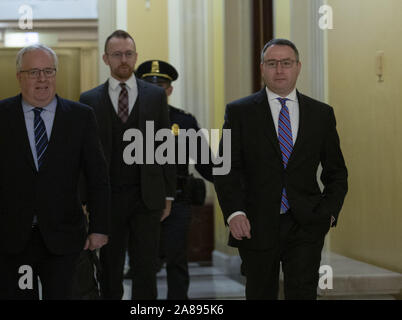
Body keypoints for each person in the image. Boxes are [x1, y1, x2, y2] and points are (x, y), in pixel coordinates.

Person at [0, 44, 110, 300]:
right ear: (19, 76)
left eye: (48, 71)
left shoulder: (81, 117)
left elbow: (98, 177)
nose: (42, 79)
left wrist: (99, 227)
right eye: (34, 72)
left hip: (65, 239)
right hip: (12, 240)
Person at [214, 39, 348, 300]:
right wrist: (234, 213)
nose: (279, 70)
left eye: (286, 63)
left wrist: (329, 212)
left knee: (303, 293)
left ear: (298, 67)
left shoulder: (321, 114)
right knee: (260, 293)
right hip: (255, 223)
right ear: (262, 68)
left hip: (307, 223)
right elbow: (225, 168)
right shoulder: (239, 112)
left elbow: (336, 172)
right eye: (272, 63)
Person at [79, 31, 177, 300]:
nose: (124, 60)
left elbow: (164, 145)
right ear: (105, 58)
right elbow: (83, 156)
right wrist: (84, 198)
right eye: (117, 54)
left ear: (135, 56)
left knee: (146, 268)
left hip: (147, 196)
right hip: (107, 199)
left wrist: (168, 194)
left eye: (128, 54)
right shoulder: (89, 100)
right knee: (109, 270)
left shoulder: (155, 96)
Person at [133, 60, 214, 299]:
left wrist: (235, 182)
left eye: (162, 84)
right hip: (139, 202)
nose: (157, 89)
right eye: (150, 84)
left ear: (169, 89)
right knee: (142, 264)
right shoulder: (129, 120)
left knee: (177, 261)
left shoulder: (184, 121)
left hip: (177, 200)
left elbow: (206, 163)